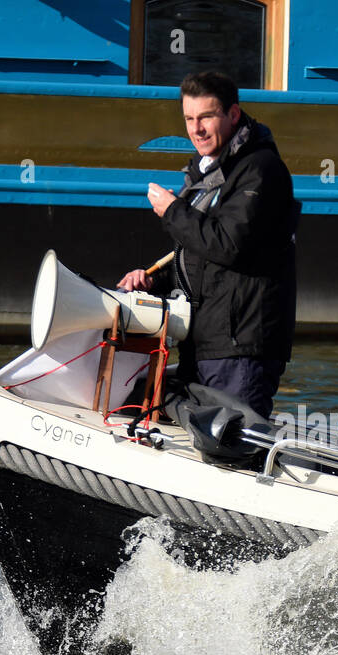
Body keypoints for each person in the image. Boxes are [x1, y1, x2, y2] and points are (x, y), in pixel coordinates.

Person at [117, 71, 298, 419]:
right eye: (189, 119)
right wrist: (155, 280)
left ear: (233, 115)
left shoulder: (260, 170)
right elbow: (202, 257)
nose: (196, 129)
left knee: (234, 449)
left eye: (206, 117)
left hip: (240, 347)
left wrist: (172, 211)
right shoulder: (209, 172)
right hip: (205, 343)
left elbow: (228, 244)